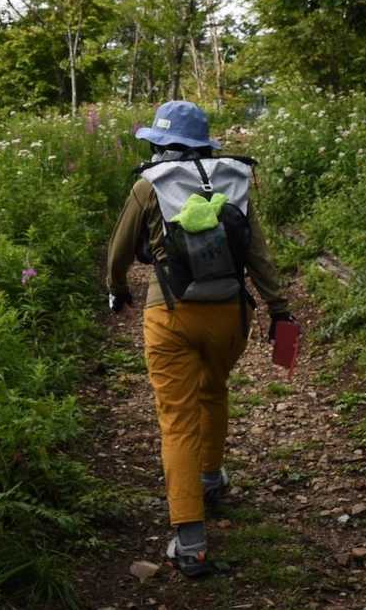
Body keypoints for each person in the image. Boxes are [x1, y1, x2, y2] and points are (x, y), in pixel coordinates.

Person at [105, 100, 294, 577]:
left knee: (177, 419)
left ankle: (190, 540)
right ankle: (210, 477)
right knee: (213, 390)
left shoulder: (149, 184)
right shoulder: (235, 180)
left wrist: (116, 290)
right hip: (229, 314)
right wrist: (278, 308)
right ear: (204, 144)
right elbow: (257, 255)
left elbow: (119, 253)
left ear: (161, 143)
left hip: (170, 314)